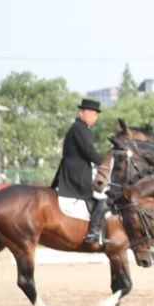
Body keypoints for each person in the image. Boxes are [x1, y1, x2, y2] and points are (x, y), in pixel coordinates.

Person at [51, 98, 107, 244]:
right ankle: (93, 231)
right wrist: (107, 163)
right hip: (77, 174)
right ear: (81, 112)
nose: (94, 117)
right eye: (91, 113)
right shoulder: (80, 128)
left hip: (76, 171)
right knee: (105, 197)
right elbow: (89, 152)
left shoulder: (80, 128)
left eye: (96, 114)